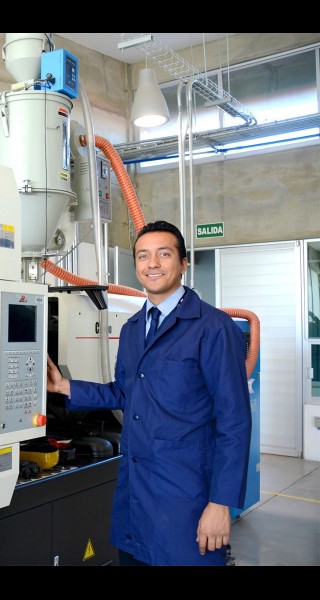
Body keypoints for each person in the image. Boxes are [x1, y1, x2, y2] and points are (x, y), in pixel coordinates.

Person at [46, 220, 251, 566]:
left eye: (163, 254)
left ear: (183, 263)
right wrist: (65, 386)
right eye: (143, 256)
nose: (152, 264)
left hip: (187, 497)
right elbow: (125, 393)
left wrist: (220, 504)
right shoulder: (133, 329)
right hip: (136, 494)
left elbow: (235, 423)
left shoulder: (214, 328)